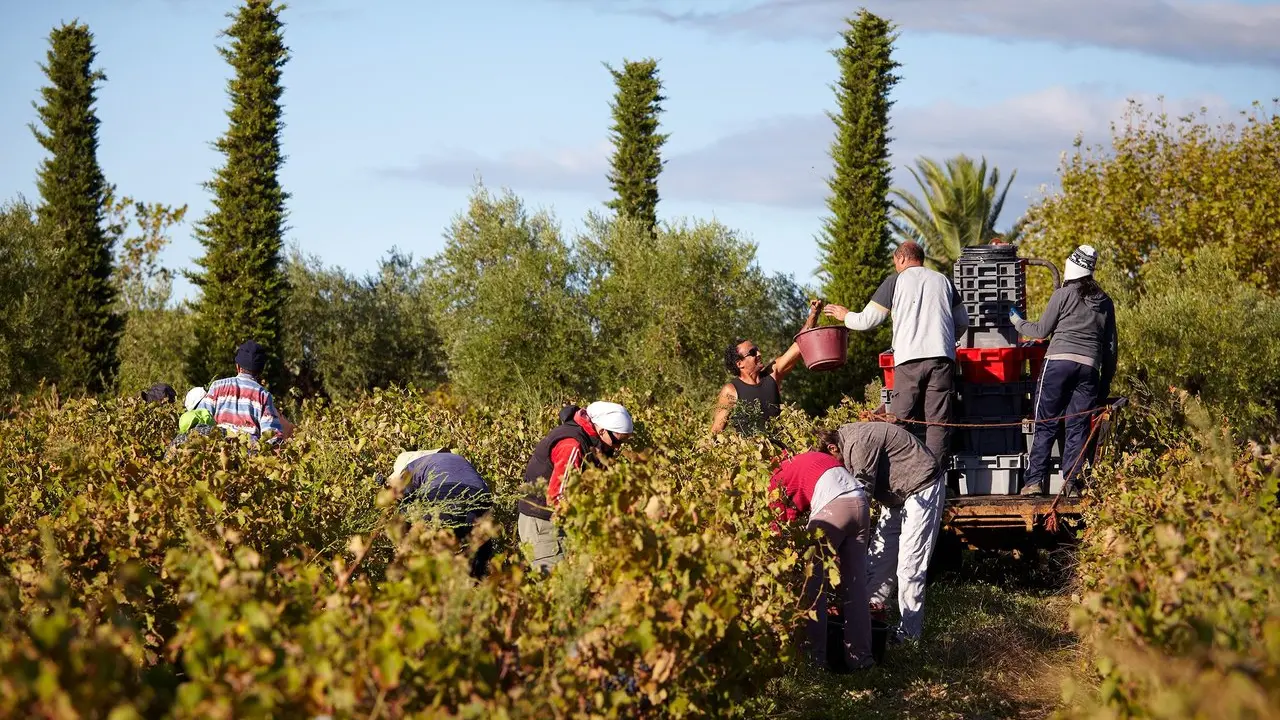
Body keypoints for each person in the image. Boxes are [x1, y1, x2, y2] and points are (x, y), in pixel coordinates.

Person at [822, 241, 970, 462]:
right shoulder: (943, 281)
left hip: (908, 361)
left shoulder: (895, 281)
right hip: (941, 358)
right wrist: (947, 339)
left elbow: (867, 320)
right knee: (938, 422)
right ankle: (935, 478)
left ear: (901, 259)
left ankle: (906, 475)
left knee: (901, 420)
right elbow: (962, 322)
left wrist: (845, 316)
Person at [1011, 244, 1118, 496]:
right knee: (1077, 425)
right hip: (1089, 368)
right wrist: (1103, 385)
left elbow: (1040, 331)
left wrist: (1016, 321)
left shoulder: (1063, 294)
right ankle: (1072, 483)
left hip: (1058, 364)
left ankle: (1034, 482)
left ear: (1071, 266)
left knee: (1046, 422)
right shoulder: (1105, 301)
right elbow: (1111, 348)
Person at [825, 421, 943, 644]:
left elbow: (861, 499)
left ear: (832, 448)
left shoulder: (857, 444)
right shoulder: (847, 440)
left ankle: (908, 639)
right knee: (875, 566)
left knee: (910, 566)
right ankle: (870, 629)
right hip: (896, 497)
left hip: (921, 487)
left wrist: (843, 547)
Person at [769, 446, 873, 672]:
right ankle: (861, 660)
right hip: (860, 503)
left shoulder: (776, 476)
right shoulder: (812, 459)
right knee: (855, 586)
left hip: (833, 508)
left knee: (812, 585)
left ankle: (814, 662)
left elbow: (780, 519)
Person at [516, 401, 634, 571]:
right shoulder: (572, 445)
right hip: (544, 523)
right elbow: (558, 496)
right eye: (617, 441)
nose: (617, 447)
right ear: (601, 430)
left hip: (559, 520)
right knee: (557, 588)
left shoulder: (593, 443)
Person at [712, 299, 824, 435]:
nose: (759, 354)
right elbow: (717, 430)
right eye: (752, 353)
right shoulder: (731, 390)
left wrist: (813, 314)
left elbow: (799, 345)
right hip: (753, 455)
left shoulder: (772, 374)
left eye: (757, 349)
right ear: (739, 363)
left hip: (782, 451)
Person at [388, 448, 495, 579]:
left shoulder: (411, 467)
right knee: (478, 550)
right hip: (480, 496)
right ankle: (480, 582)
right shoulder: (455, 458)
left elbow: (403, 500)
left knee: (429, 550)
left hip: (445, 493)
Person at [195, 340, 292, 444]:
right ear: (260, 372)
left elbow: (199, 418)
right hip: (247, 452)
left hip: (217, 446)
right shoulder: (263, 395)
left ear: (238, 367)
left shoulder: (217, 386)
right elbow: (272, 435)